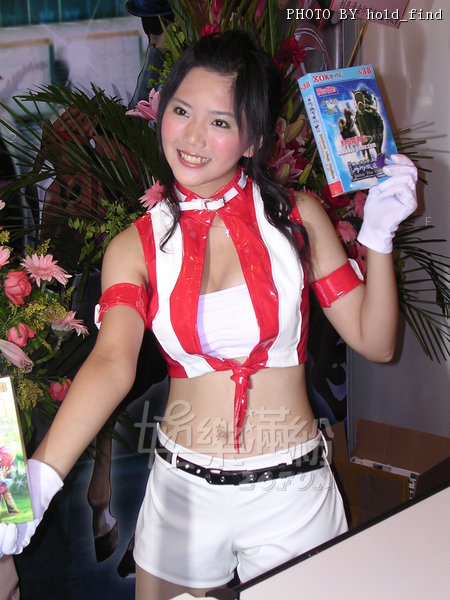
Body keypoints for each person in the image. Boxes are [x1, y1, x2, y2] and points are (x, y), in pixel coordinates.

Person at [0, 30, 417, 599]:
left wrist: (379, 239)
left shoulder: (299, 217)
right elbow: (112, 362)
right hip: (184, 496)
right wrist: (38, 483)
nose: (192, 137)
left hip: (292, 492)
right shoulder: (134, 245)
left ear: (253, 139)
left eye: (220, 121)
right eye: (181, 111)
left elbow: (376, 341)